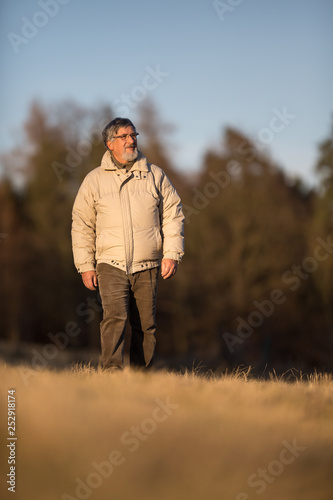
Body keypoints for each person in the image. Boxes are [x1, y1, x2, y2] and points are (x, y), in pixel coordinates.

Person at [71, 117, 184, 371]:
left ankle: (142, 378)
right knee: (114, 318)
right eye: (124, 136)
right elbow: (81, 224)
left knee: (145, 324)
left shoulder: (155, 175)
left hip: (148, 263)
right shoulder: (94, 180)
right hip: (109, 263)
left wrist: (172, 254)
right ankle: (111, 375)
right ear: (110, 143)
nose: (131, 140)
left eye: (134, 135)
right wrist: (85, 265)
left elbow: (174, 213)